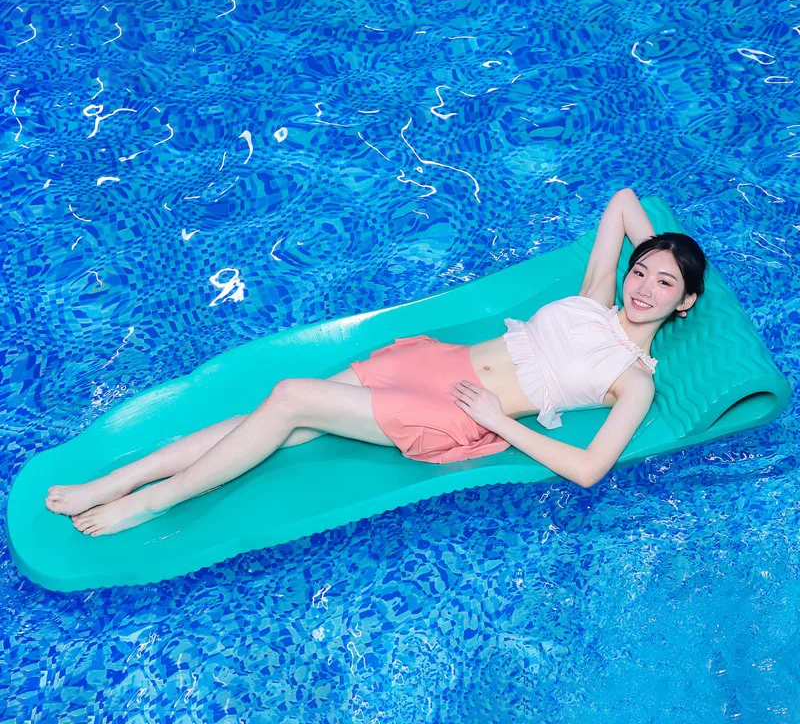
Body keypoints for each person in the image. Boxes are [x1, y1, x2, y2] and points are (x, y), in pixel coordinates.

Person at [45, 188, 706, 536]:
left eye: (664, 286)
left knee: (292, 398)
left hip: (455, 411)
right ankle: (120, 478)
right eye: (641, 272)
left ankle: (152, 503)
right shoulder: (594, 296)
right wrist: (665, 255)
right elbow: (623, 201)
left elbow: (589, 470)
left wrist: (499, 424)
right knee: (279, 422)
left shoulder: (633, 383)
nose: (643, 288)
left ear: (686, 303)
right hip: (432, 364)